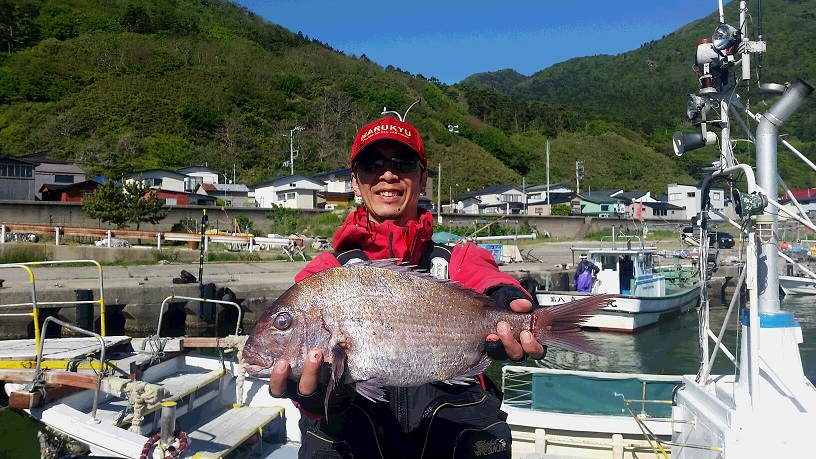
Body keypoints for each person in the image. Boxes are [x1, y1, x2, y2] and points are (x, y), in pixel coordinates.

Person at [267, 116, 545, 459]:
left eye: (403, 163)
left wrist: (507, 298)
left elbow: (487, 277)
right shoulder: (325, 274)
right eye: (372, 164)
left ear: (423, 179)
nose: (387, 174)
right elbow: (302, 372)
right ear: (355, 182)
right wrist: (312, 399)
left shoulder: (456, 258)